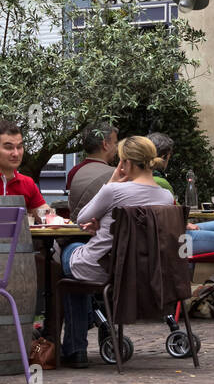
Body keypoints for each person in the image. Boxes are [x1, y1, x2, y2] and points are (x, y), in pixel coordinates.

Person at [60, 136, 174, 367]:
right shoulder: (166, 197)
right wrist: (102, 223)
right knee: (78, 273)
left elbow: (81, 219)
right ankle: (100, 327)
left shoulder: (114, 191)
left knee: (64, 255)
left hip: (104, 268)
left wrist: (111, 181)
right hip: (142, 273)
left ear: (126, 164)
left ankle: (76, 348)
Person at [67, 121, 118, 223]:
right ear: (105, 145)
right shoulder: (115, 174)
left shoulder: (74, 171)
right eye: (115, 143)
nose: (117, 148)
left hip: (76, 229)